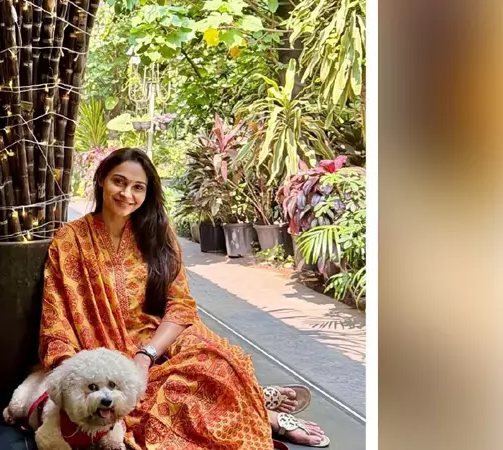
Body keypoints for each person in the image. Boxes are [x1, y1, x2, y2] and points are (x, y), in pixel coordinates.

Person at [38, 148, 329, 449]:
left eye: (138, 187)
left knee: (218, 361)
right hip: (107, 350)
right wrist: (73, 377)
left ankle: (249, 398)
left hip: (160, 338)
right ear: (102, 180)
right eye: (119, 182)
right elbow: (56, 318)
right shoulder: (70, 239)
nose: (127, 194)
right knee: (164, 402)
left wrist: (146, 355)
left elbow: (180, 304)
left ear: (147, 193)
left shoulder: (157, 233)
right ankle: (264, 413)